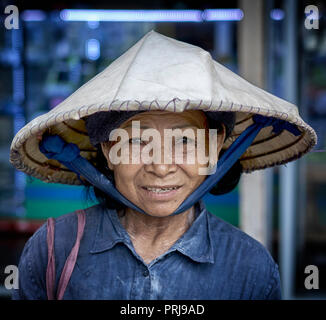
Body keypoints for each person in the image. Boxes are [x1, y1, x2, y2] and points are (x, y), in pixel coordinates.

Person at [10, 30, 317, 300]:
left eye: (184, 141)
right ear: (106, 148)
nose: (160, 167)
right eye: (136, 141)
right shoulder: (52, 250)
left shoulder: (250, 267)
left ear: (214, 145)